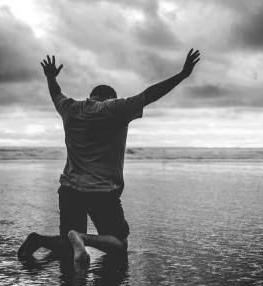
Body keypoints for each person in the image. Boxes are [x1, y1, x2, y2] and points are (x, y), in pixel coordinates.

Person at [18, 49, 200, 266]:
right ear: (111, 97)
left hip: (70, 189)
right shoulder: (116, 108)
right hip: (102, 191)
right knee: (119, 245)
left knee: (67, 246)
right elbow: (150, 94)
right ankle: (83, 238)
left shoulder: (70, 108)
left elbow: (56, 94)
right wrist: (182, 75)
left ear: (92, 95)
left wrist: (50, 77)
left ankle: (38, 240)